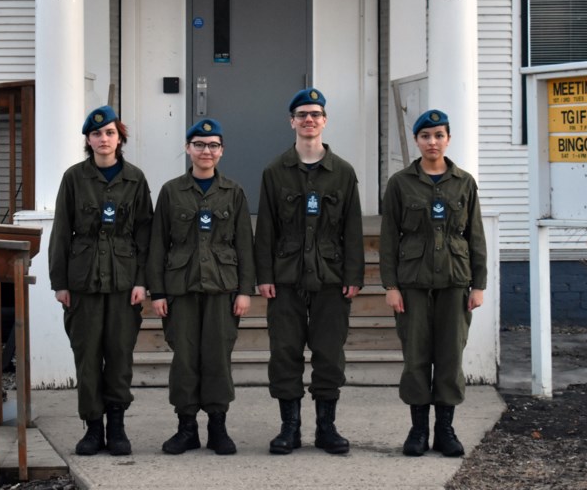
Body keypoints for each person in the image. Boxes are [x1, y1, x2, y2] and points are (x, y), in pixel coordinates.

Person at [254, 88, 364, 455]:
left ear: (324, 121)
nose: (309, 120)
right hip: (285, 277)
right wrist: (264, 275)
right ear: (292, 122)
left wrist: (354, 275)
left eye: (315, 114)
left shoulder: (343, 173)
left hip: (331, 277)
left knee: (329, 352)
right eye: (302, 115)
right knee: (284, 351)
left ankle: (326, 428)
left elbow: (352, 228)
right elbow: (265, 227)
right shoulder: (275, 171)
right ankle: (290, 428)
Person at [379, 108, 487, 458]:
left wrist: (479, 284)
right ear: (416, 141)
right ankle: (417, 430)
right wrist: (390, 285)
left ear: (448, 139)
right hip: (412, 283)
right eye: (425, 136)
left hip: (455, 281)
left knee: (450, 357)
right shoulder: (400, 183)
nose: (432, 142)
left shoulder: (464, 182)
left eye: (439, 135)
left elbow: (475, 237)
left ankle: (445, 430)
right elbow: (388, 238)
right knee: (416, 357)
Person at [49, 105, 154, 457]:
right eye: (97, 134)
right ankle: (93, 428)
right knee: (88, 356)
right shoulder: (74, 178)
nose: (103, 139)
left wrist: (143, 280)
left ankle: (118, 427)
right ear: (88, 140)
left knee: (120, 356)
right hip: (84, 280)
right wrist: (60, 282)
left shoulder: (136, 179)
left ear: (119, 138)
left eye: (110, 133)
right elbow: (61, 231)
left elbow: (145, 233)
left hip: (124, 282)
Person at [146, 118, 255, 456]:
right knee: (185, 359)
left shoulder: (233, 191)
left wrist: (244, 291)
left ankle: (218, 427)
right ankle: (186, 427)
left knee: (218, 357)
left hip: (223, 289)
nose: (206, 151)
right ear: (187, 148)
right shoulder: (171, 191)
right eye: (199, 145)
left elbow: (244, 244)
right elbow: (158, 244)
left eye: (213, 145)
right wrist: (158, 291)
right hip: (181, 289)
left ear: (221, 151)